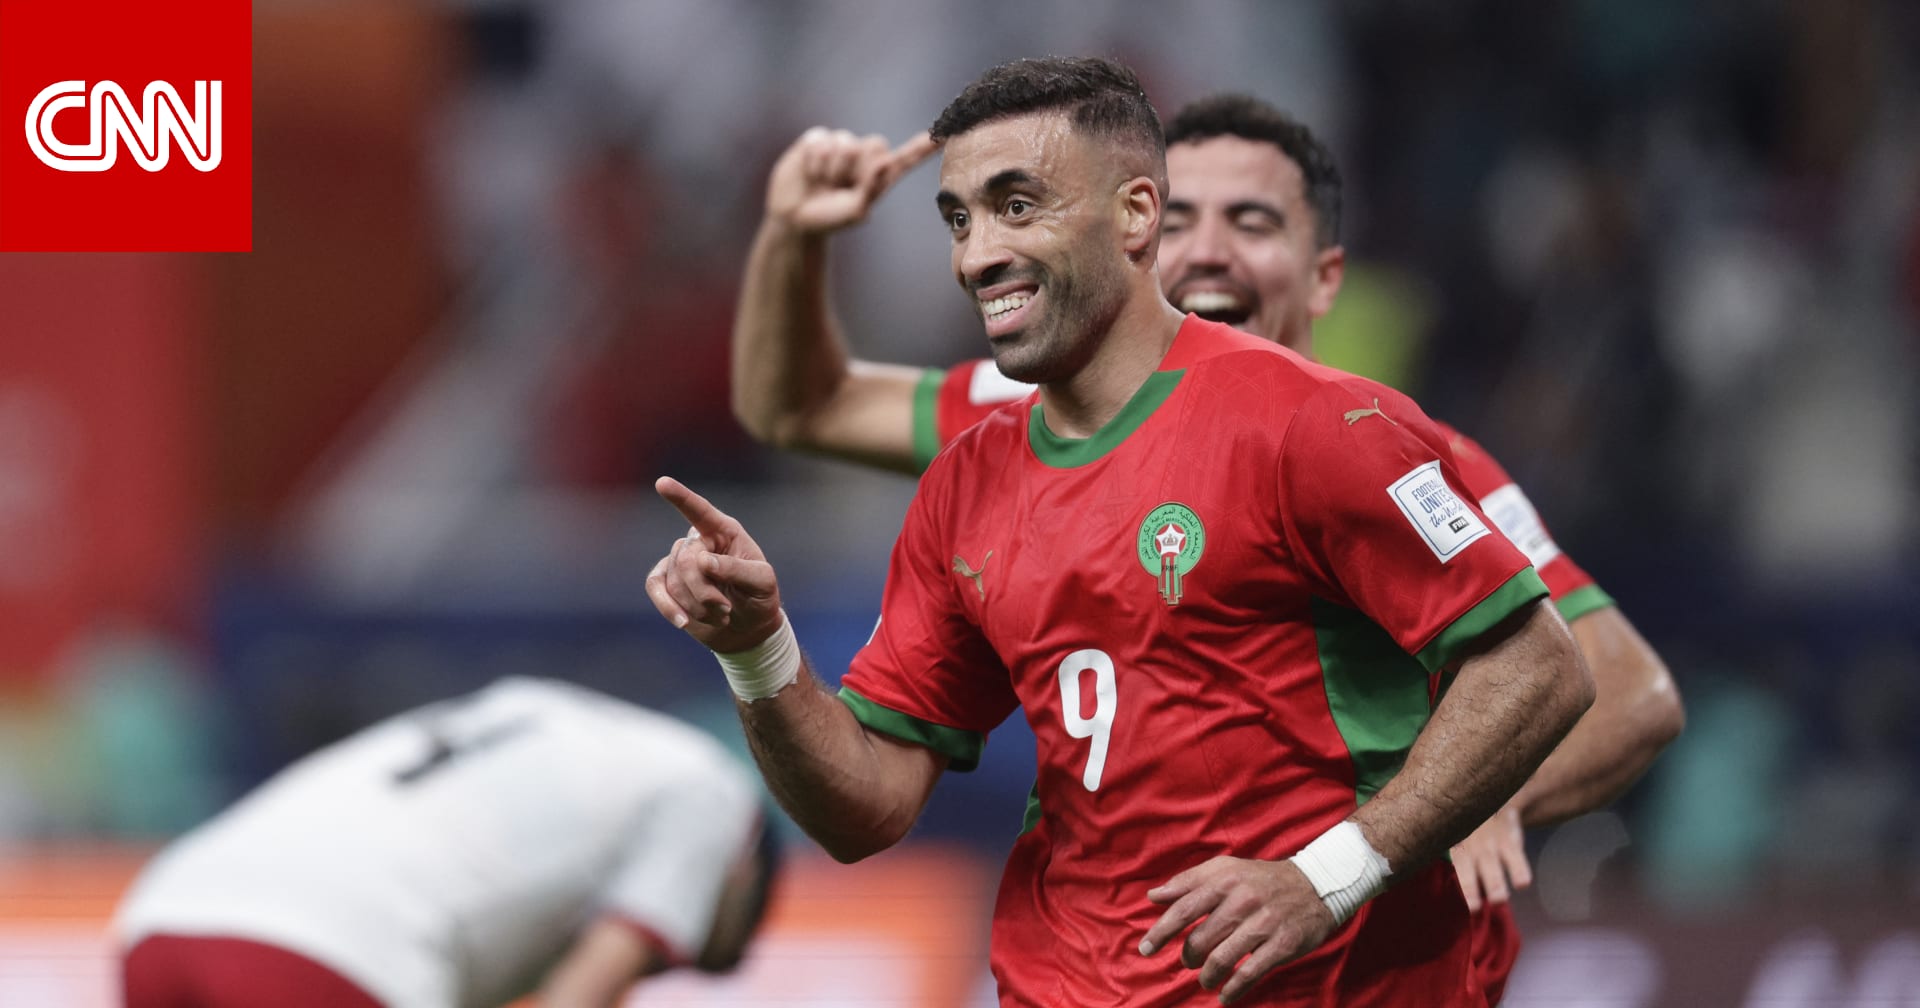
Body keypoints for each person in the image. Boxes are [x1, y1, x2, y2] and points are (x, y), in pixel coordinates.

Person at [651, 56, 1593, 1006]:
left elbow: (1540, 665)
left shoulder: (1315, 425)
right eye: (960, 219)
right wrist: (758, 651)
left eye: (1018, 206)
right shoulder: (964, 482)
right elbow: (868, 807)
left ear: (1137, 215)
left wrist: (1328, 876)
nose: (976, 257)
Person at [113, 676, 782, 1008]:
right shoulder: (711, 792)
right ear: (740, 874)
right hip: (332, 951)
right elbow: (584, 990)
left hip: (164, 913)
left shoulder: (542, 713)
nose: (666, 962)